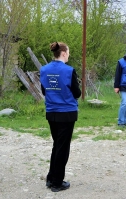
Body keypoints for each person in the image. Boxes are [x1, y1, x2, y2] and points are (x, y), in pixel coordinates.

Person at [40, 42, 81, 192]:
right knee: (62, 148)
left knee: (57, 145)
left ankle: (51, 177)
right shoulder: (69, 71)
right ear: (63, 53)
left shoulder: (44, 70)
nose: (69, 55)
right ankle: (57, 182)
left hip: (51, 112)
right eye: (68, 52)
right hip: (66, 113)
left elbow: (44, 91)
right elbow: (77, 93)